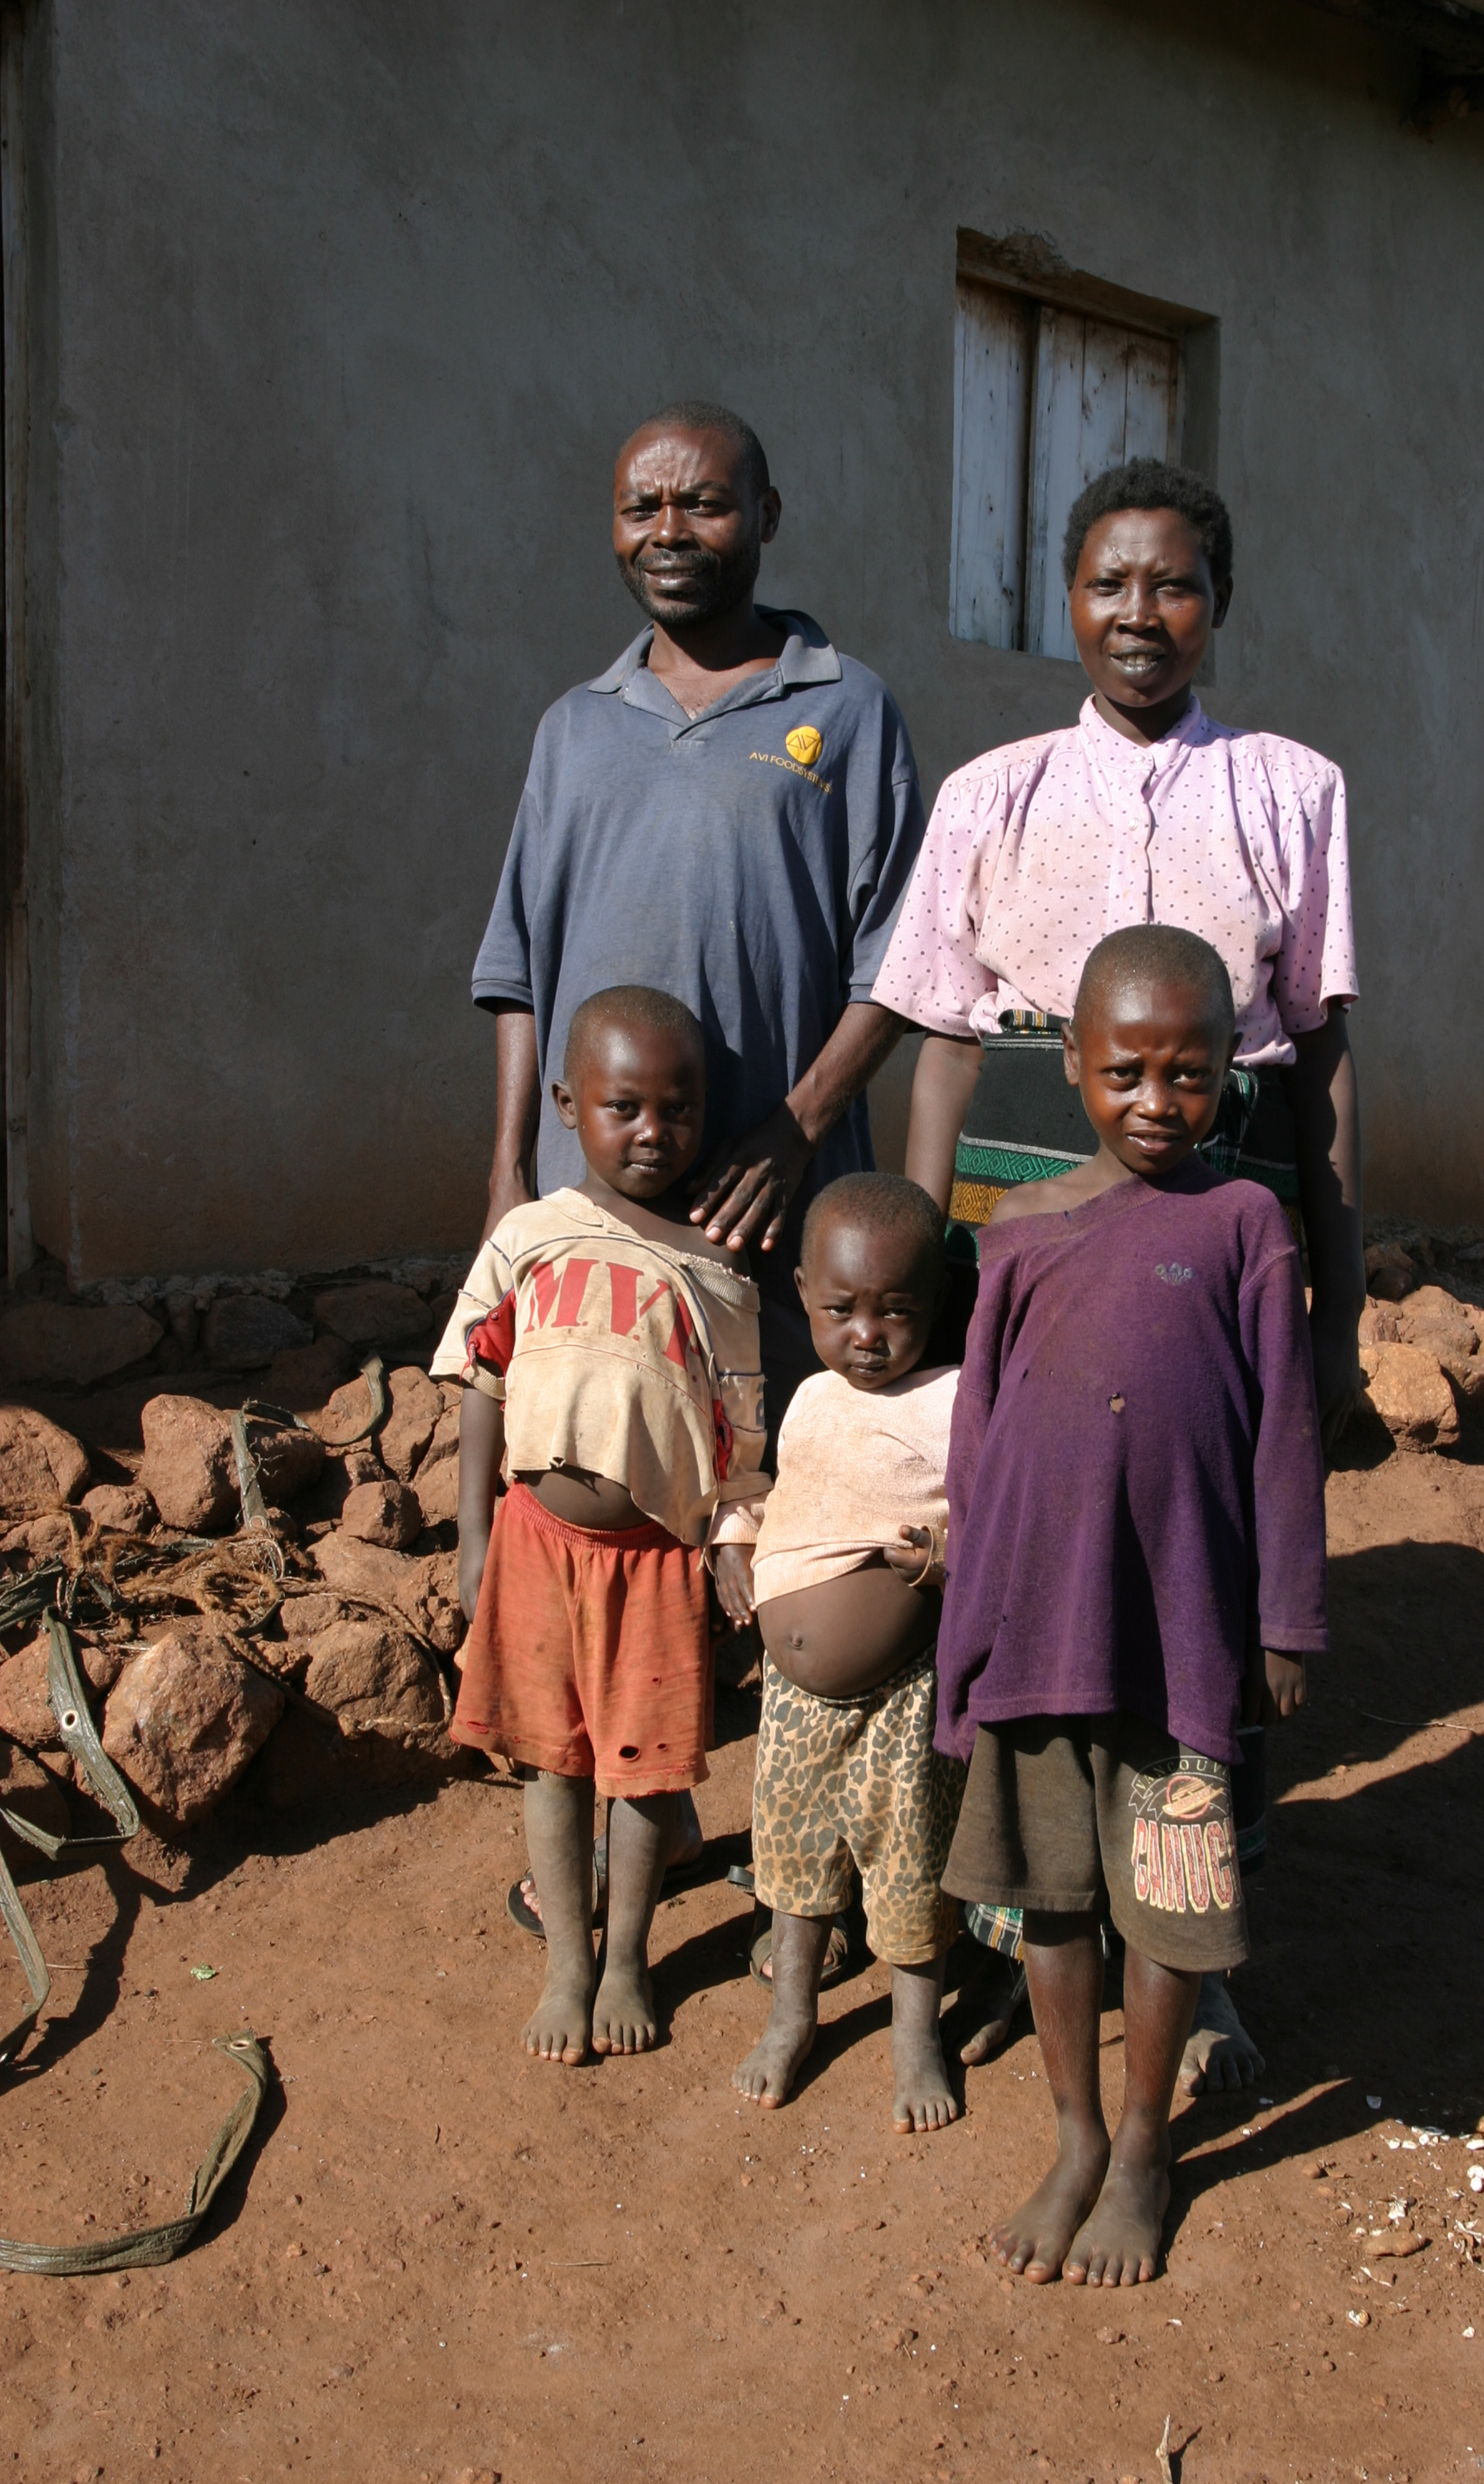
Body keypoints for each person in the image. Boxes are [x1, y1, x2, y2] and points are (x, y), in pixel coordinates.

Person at [875, 455, 1360, 2091]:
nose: (1136, 614)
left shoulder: (1296, 788)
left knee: (1206, 1581)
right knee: (1043, 1589)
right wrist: (938, 1251)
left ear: (1216, 601)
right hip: (1032, 1232)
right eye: (1105, 583)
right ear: (1062, 602)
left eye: (1169, 583)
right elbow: (942, 1038)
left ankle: (1190, 1949)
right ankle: (1032, 1938)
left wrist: (1341, 1298)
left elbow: (1321, 1058)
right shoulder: (990, 794)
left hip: (1221, 1241)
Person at [474, 398, 923, 1920]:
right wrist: (504, 1176)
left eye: (703, 503)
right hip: (593, 1234)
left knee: (775, 1524)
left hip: (763, 1216)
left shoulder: (843, 708)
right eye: (640, 506)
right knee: (598, 1526)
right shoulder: (572, 726)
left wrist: (798, 1127)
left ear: (767, 514)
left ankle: (832, 1831)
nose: (669, 531)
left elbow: (902, 964)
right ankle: (622, 1827)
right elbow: (521, 973)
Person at [936, 925, 1328, 2285]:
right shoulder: (1023, 1229)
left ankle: (1149, 2147)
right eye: (1125, 1072)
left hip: (1179, 1642)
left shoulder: (1242, 1225)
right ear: (1069, 1070)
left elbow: (1283, 1432)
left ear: (1228, 1068)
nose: (1157, 1102)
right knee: (1052, 1904)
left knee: (1167, 1909)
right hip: (1041, 1630)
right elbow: (975, 1448)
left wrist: (1284, 1615)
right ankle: (1076, 2136)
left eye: (1187, 1073)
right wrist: (961, 1643)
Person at [434, 986, 767, 2065]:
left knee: (643, 1773)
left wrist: (730, 1551)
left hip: (655, 1568)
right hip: (535, 1549)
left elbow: (738, 1441)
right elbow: (482, 1383)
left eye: (679, 1108)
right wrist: (473, 1532)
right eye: (626, 1106)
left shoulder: (718, 1272)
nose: (655, 1131)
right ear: (570, 1105)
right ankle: (565, 1964)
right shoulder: (529, 1239)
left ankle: (626, 1957)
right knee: (553, 1765)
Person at [732, 1173, 964, 2132]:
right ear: (801, 1294)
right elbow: (791, 1495)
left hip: (902, 1701)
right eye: (841, 1309)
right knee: (793, 1864)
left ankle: (915, 2036)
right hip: (791, 1704)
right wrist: (737, 1546)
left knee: (908, 1868)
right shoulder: (807, 1398)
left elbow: (999, 1520)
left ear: (934, 1305)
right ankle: (793, 2017)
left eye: (895, 1311)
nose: (866, 1333)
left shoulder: (954, 1401)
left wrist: (946, 1561)